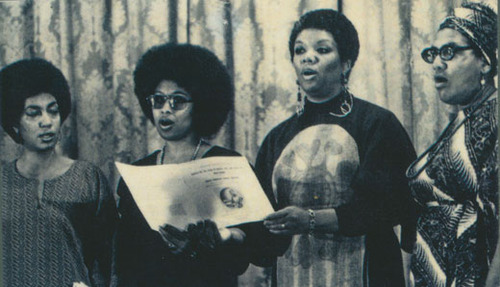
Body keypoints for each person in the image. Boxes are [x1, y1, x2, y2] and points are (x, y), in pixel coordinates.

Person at [255, 9, 417, 287]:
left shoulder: (376, 123)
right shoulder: (277, 138)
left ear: (346, 64)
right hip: (294, 274)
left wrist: (311, 220)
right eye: (299, 50)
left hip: (369, 271)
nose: (308, 57)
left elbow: (394, 206)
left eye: (322, 49)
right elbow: (262, 223)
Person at [115, 43, 285, 287]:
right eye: (159, 100)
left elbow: (263, 250)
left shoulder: (230, 165)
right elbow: (126, 257)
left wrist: (225, 238)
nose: (165, 109)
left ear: (203, 105)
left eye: (178, 101)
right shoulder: (137, 174)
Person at [0, 58, 117, 287]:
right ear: (15, 124)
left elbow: (110, 260)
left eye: (52, 112)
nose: (47, 122)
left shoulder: (88, 178)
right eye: (33, 114)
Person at [407, 3, 498, 286]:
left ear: (485, 60)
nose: (437, 63)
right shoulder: (463, 118)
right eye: (433, 54)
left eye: (449, 52)